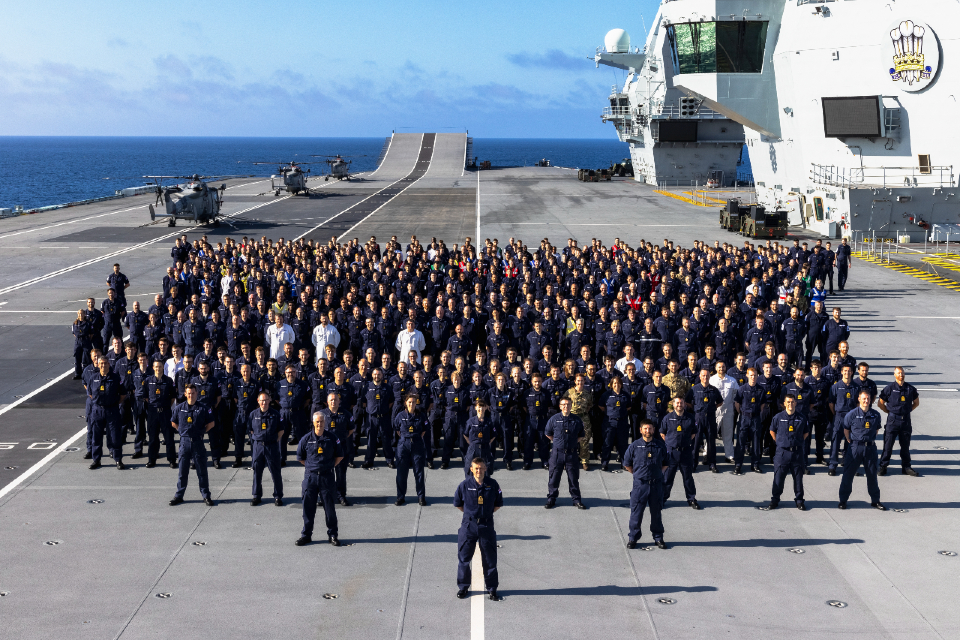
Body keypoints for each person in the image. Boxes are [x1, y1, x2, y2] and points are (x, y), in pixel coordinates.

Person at [454, 458, 503, 601]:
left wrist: (485, 515)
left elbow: (498, 503)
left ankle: (492, 589)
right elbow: (458, 504)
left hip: (486, 526)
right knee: (464, 558)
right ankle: (463, 587)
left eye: (481, 468)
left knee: (490, 559)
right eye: (476, 468)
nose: (479, 471)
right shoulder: (464, 485)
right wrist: (471, 515)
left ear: (485, 469)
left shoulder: (492, 484)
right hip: (469, 526)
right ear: (471, 469)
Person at [296, 412, 345, 546]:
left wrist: (328, 466)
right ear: (313, 423)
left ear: (325, 422)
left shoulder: (332, 438)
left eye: (321, 421)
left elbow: (340, 455)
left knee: (330, 509)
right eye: (317, 422)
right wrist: (312, 467)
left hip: (326, 477)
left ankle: (333, 535)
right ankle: (306, 535)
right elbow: (300, 457)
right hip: (310, 477)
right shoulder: (306, 439)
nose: (319, 424)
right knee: (308, 508)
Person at [622, 419, 668, 549]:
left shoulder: (660, 446)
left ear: (654, 430)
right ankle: (633, 538)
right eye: (645, 429)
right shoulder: (634, 446)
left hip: (656, 485)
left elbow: (666, 463)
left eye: (650, 428)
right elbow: (627, 464)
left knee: (656, 513)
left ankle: (658, 537)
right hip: (640, 486)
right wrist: (637, 475)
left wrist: (658, 475)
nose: (648, 431)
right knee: (636, 512)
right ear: (641, 430)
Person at [169, 384, 215, 506]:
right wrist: (181, 432)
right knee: (182, 471)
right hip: (184, 443)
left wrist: (201, 432)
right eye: (188, 393)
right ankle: (179, 495)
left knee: (202, 471)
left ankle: (206, 495)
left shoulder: (203, 408)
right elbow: (173, 422)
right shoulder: (179, 408)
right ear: (185, 394)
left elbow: (211, 423)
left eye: (193, 393)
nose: (191, 395)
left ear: (197, 393)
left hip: (198, 442)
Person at [839, 390, 886, 510]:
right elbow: (846, 430)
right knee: (848, 475)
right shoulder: (852, 414)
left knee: (872, 475)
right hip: (855, 448)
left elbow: (876, 430)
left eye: (868, 399)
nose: (866, 401)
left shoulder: (876, 415)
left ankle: (875, 500)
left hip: (870, 448)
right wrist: (851, 441)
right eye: (864, 399)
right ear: (859, 399)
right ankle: (843, 500)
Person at [767, 395, 809, 510]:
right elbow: (772, 431)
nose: (790, 404)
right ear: (784, 404)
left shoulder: (801, 418)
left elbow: (806, 433)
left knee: (798, 478)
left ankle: (799, 501)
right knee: (778, 478)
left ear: (795, 403)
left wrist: (798, 442)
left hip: (797, 453)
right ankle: (775, 500)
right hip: (782, 453)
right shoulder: (778, 417)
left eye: (792, 402)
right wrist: (780, 442)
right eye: (788, 402)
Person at [877, 366, 921, 476]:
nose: (901, 375)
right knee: (888, 446)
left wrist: (908, 410)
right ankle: (883, 466)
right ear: (894, 374)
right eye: (898, 373)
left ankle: (906, 467)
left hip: (905, 421)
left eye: (902, 373)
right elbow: (880, 403)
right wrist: (889, 412)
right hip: (893, 420)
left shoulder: (910, 389)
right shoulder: (889, 388)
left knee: (905, 446)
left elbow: (916, 402)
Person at [544, 397, 586, 509]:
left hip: (571, 454)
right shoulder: (554, 419)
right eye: (563, 404)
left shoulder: (577, 420)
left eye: (568, 404)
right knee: (554, 478)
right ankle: (551, 499)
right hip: (557, 454)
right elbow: (548, 433)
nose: (565, 406)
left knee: (573, 479)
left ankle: (576, 500)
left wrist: (571, 443)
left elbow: (581, 435)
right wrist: (558, 443)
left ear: (571, 406)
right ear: (560, 406)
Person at [659, 396, 699, 509]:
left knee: (688, 477)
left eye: (681, 403)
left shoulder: (690, 418)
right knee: (667, 478)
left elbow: (693, 433)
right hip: (671, 453)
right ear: (673, 404)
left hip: (685, 452)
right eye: (677, 403)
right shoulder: (667, 418)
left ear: (684, 404)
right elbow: (662, 433)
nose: (679, 405)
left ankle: (691, 499)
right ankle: (662, 499)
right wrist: (671, 443)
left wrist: (684, 442)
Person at [87, 356, 127, 470]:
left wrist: (113, 403)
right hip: (97, 410)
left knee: (115, 436)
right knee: (96, 437)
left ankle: (118, 459)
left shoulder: (115, 378)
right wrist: (98, 403)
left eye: (105, 363)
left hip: (111, 410)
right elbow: (90, 393)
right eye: (101, 364)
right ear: (98, 365)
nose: (103, 365)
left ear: (109, 364)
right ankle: (96, 460)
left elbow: (123, 394)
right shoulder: (93, 378)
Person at [248, 392, 285, 506]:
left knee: (275, 472)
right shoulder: (253, 414)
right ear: (258, 401)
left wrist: (274, 441)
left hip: (271, 446)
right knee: (257, 472)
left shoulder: (276, 414)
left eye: (266, 400)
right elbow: (250, 430)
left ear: (269, 401)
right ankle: (256, 496)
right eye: (261, 400)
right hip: (258, 446)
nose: (264, 402)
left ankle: (278, 496)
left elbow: (281, 430)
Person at [394, 395, 428, 506]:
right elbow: (397, 429)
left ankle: (421, 496)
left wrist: (416, 437)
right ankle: (400, 496)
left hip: (417, 444)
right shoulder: (400, 416)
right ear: (405, 403)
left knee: (419, 472)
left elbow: (424, 429)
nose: (411, 404)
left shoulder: (421, 415)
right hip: (403, 445)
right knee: (401, 473)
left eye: (414, 402)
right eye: (409, 402)